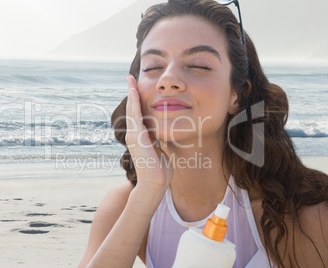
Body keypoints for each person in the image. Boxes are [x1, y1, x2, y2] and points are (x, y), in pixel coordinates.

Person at [78, 0, 328, 267]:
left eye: (198, 65)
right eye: (152, 67)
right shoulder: (124, 207)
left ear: (238, 94)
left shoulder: (305, 217)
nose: (168, 79)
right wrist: (148, 191)